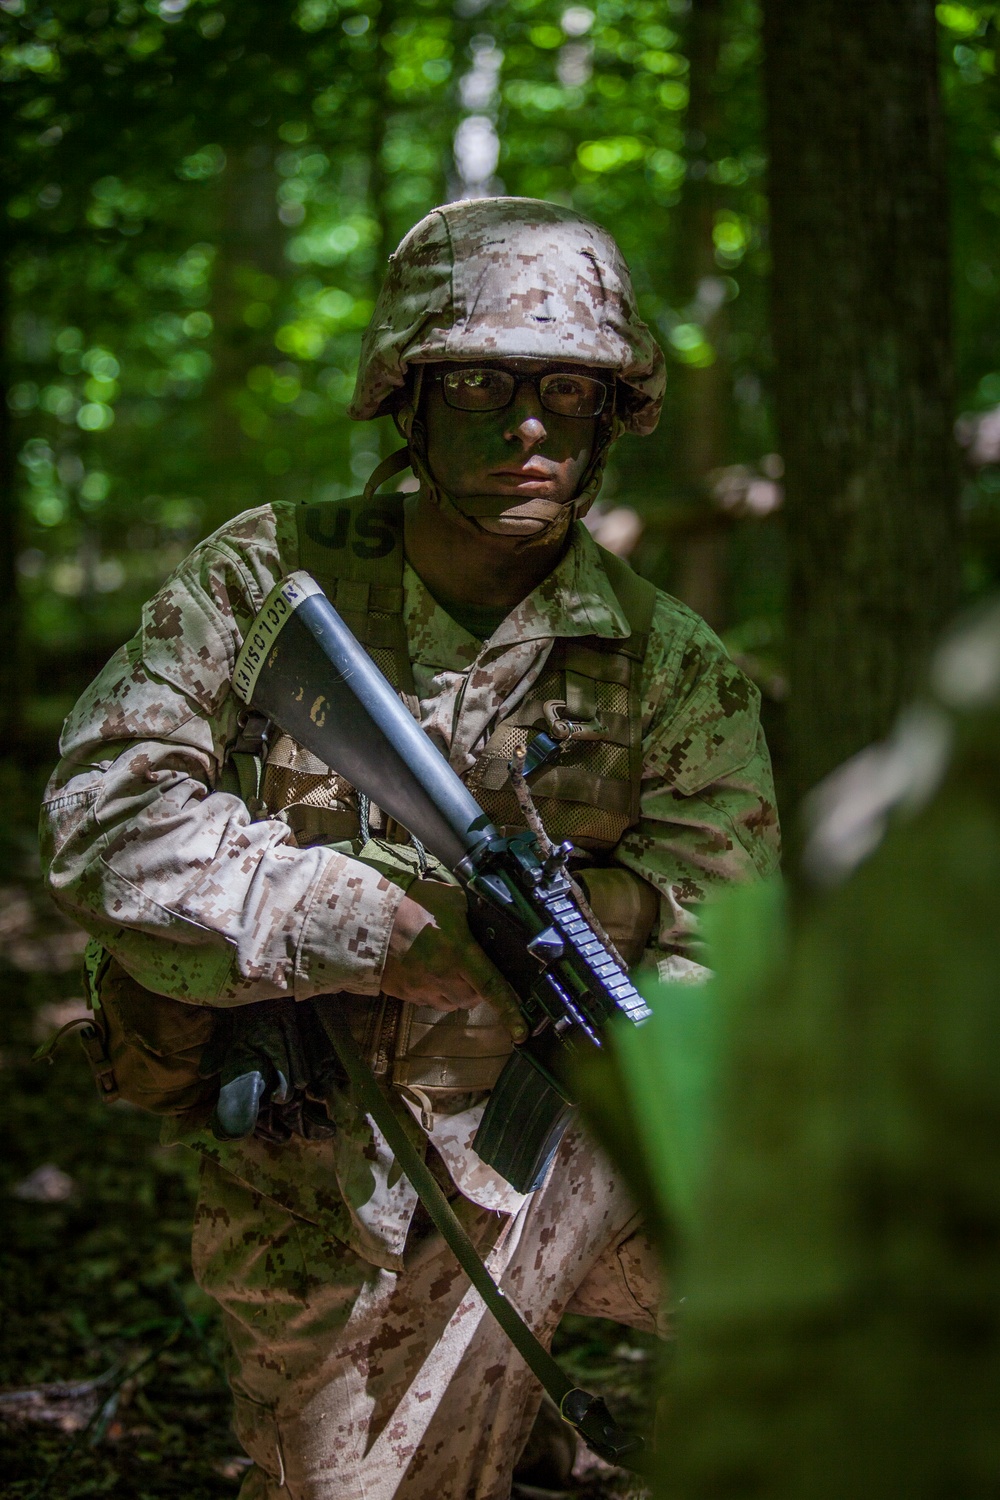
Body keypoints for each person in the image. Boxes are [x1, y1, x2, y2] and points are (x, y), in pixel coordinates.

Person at [41, 197, 780, 1500]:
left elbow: (722, 928)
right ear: (408, 399)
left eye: (571, 388)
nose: (531, 422)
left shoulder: (674, 665)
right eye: (484, 382)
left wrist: (609, 941)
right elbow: (107, 812)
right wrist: (374, 921)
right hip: (320, 1187)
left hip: (573, 1168)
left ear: (617, 417)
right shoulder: (264, 579)